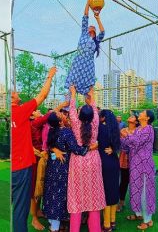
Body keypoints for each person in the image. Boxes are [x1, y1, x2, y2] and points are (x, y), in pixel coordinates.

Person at [12, 66, 57, 232]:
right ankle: (31, 220)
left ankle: (35, 214)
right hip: (22, 167)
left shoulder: (18, 115)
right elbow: (42, 96)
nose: (18, 94)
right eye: (16, 93)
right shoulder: (22, 112)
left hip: (17, 166)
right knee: (21, 207)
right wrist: (49, 77)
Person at [43, 111, 98, 232]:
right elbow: (76, 149)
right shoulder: (66, 132)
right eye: (60, 115)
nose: (63, 114)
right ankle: (55, 227)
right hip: (62, 168)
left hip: (52, 167)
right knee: (58, 195)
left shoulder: (52, 131)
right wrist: (91, 147)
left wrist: (54, 149)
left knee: (51, 193)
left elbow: (48, 144)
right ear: (60, 121)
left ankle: (52, 223)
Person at [67, 86, 106, 232]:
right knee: (94, 199)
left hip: (77, 162)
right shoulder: (95, 122)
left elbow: (71, 109)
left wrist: (73, 93)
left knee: (76, 200)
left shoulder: (75, 124)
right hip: (94, 162)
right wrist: (92, 94)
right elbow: (95, 109)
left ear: (79, 115)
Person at [120, 110, 156, 230]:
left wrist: (126, 135)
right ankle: (139, 214)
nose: (140, 113)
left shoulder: (149, 129)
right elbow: (127, 145)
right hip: (135, 164)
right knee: (136, 189)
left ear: (147, 118)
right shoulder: (138, 129)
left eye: (142, 113)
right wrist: (122, 137)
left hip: (145, 165)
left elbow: (137, 141)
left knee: (146, 190)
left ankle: (148, 220)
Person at [64, 0, 105, 96]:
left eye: (93, 27)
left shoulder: (96, 41)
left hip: (89, 66)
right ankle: (68, 108)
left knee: (89, 91)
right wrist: (88, 2)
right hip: (78, 63)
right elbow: (85, 16)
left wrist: (97, 18)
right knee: (72, 87)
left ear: (94, 31)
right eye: (89, 26)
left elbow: (103, 32)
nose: (90, 26)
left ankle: (91, 109)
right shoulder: (83, 35)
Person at [98, 110, 120, 231]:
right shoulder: (115, 128)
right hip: (113, 161)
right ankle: (112, 221)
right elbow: (117, 144)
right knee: (113, 189)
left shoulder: (100, 128)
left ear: (102, 118)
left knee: (106, 191)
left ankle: (106, 224)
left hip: (104, 161)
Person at [118, 113, 139, 212]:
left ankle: (136, 205)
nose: (130, 117)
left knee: (135, 183)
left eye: (133, 117)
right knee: (124, 181)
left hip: (135, 160)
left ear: (136, 122)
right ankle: (121, 202)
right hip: (123, 159)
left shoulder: (138, 131)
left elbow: (134, 144)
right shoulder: (122, 130)